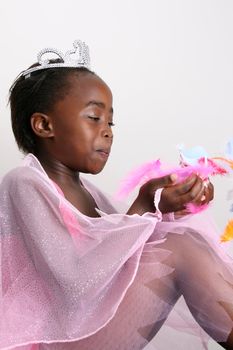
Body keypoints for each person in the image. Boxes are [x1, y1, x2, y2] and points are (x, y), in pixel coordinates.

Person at [0, 40, 233, 350]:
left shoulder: (90, 193)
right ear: (44, 125)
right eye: (94, 118)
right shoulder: (25, 182)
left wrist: (169, 206)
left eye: (111, 121)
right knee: (181, 249)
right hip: (58, 339)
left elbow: (133, 249)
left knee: (182, 238)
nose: (108, 131)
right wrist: (142, 204)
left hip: (89, 327)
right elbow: (75, 281)